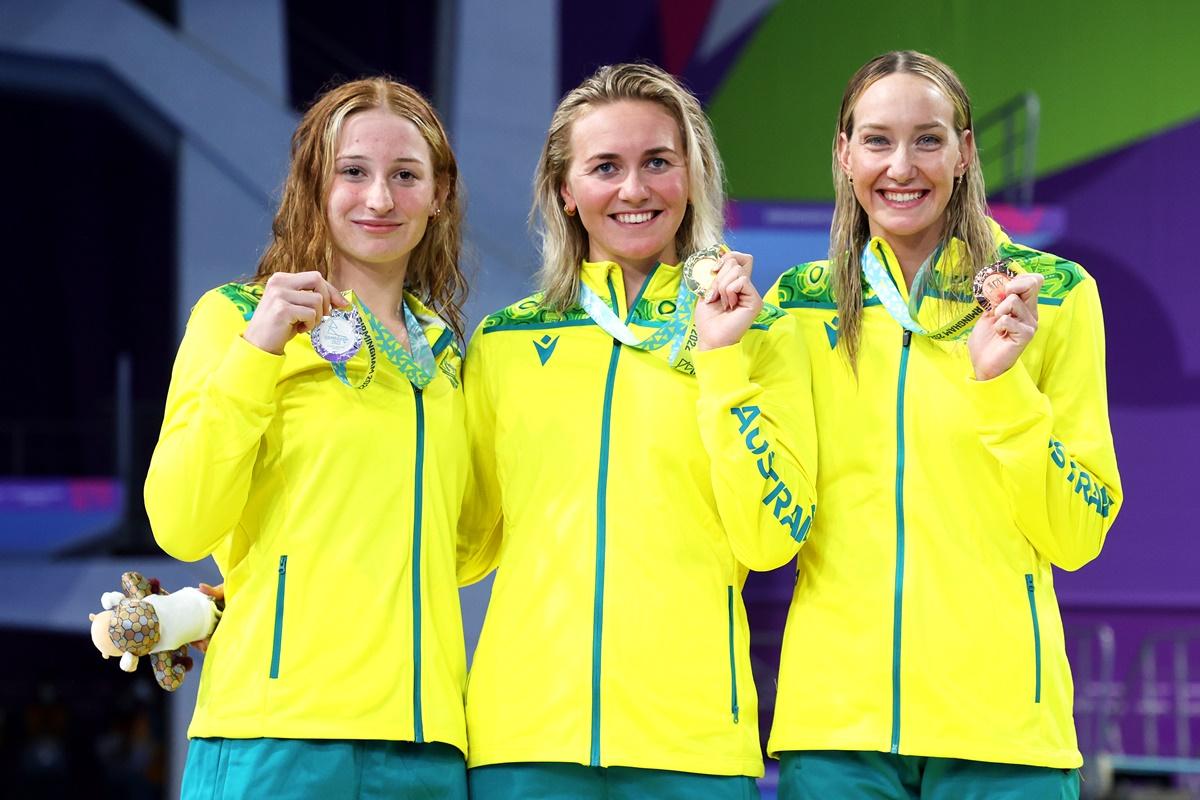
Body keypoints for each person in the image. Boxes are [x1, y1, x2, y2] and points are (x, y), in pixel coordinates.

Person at [765, 50, 1123, 799]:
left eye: (928, 139)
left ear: (964, 152)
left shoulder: (1053, 296)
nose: (902, 166)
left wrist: (1001, 387)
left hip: (1002, 734)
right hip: (838, 733)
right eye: (876, 140)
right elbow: (764, 523)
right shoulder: (794, 305)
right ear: (843, 153)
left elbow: (1078, 534)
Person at [457, 62, 818, 799]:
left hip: (693, 752)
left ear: (693, 175)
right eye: (605, 167)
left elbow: (772, 537)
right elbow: (455, 544)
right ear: (565, 189)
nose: (634, 189)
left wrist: (721, 363)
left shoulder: (758, 331)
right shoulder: (505, 342)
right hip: (525, 747)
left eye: (658, 161)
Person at [144, 77, 471, 799]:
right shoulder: (236, 319)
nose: (379, 199)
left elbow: (466, 546)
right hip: (276, 735)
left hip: (426, 745)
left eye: (405, 175)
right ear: (314, 183)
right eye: (353, 172)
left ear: (439, 192)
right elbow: (179, 519)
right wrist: (258, 353)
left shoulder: (448, 358)